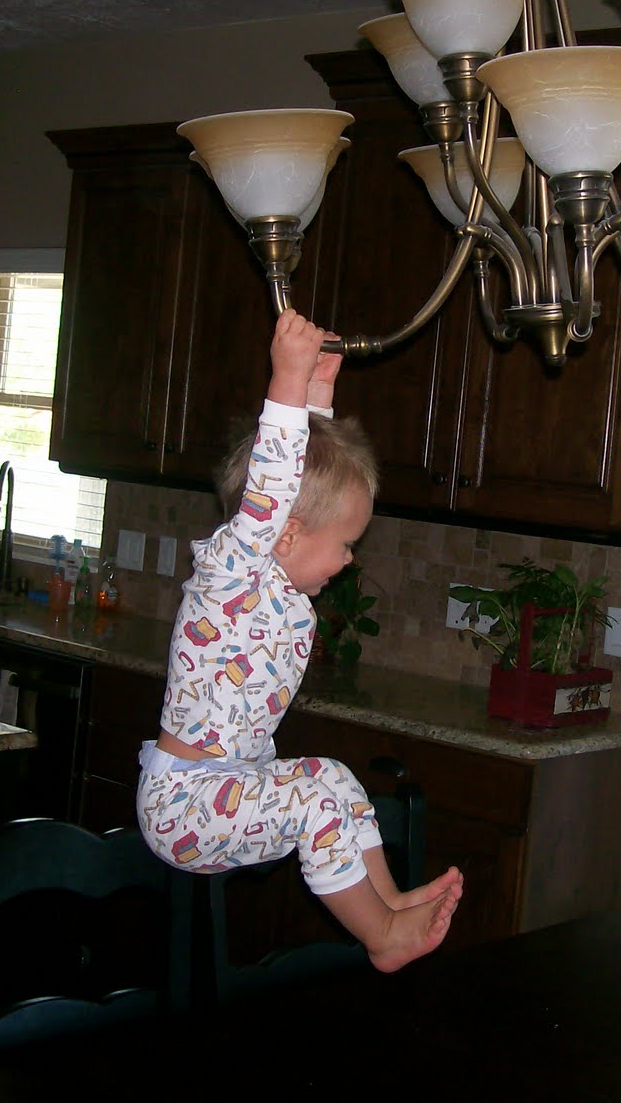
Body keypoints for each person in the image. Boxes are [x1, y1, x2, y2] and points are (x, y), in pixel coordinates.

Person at [136, 308, 463, 972]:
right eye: (345, 545)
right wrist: (288, 378)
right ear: (283, 536)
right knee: (317, 796)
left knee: (335, 781)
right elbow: (276, 485)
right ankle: (381, 937)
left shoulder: (278, 579)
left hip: (229, 786)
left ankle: (388, 904)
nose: (348, 560)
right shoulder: (236, 572)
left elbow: (306, 473)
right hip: (186, 803)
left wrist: (318, 398)